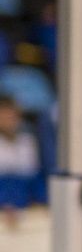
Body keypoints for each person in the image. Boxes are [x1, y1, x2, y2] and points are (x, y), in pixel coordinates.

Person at [0, 97, 41, 227]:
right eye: (4, 114)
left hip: (26, 207)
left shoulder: (27, 142)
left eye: (12, 114)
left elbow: (34, 179)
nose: (9, 119)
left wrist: (39, 200)